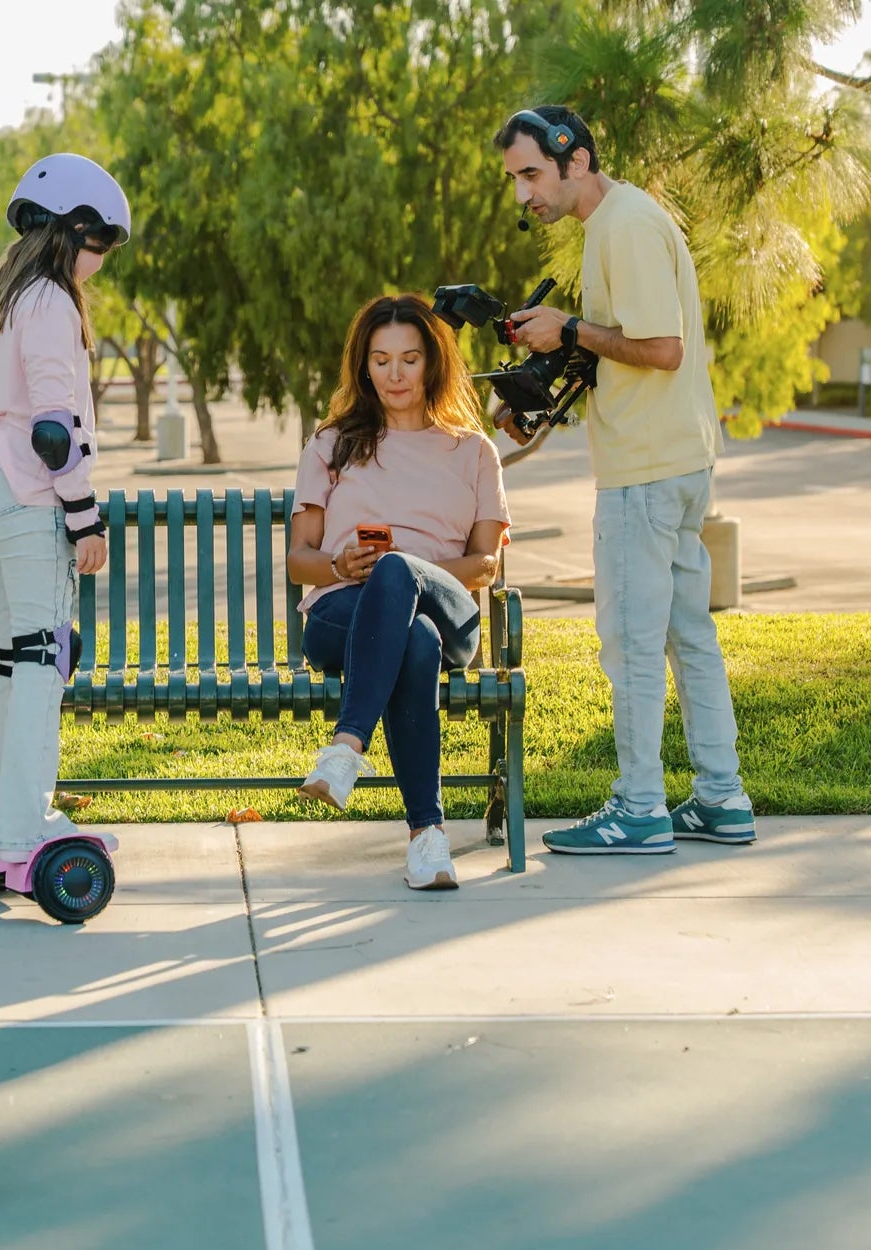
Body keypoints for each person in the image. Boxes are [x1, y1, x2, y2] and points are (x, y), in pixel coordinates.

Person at [492, 105, 755, 855]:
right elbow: (626, 355)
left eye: (532, 174)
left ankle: (639, 809)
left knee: (633, 644)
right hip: (673, 458)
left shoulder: (625, 226)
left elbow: (663, 349)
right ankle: (722, 798)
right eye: (515, 180)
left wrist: (569, 327)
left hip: (644, 474)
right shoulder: (618, 223)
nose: (524, 195)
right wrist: (542, 393)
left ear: (574, 159)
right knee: (686, 634)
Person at [0, 153, 130, 864]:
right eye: (102, 243)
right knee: (44, 658)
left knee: (0, 658)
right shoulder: (51, 299)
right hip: (27, 490)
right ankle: (24, 829)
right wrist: (84, 518)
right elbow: (53, 429)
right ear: (76, 229)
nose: (101, 261)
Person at [290, 294, 511, 890]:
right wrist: (339, 562)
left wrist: (411, 572)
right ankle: (427, 838)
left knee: (398, 574)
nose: (395, 374)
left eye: (409, 359)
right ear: (363, 366)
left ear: (433, 362)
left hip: (449, 606)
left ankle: (346, 747)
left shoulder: (474, 451)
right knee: (413, 639)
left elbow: (485, 564)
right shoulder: (332, 444)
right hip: (343, 614)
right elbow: (298, 561)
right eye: (381, 360)